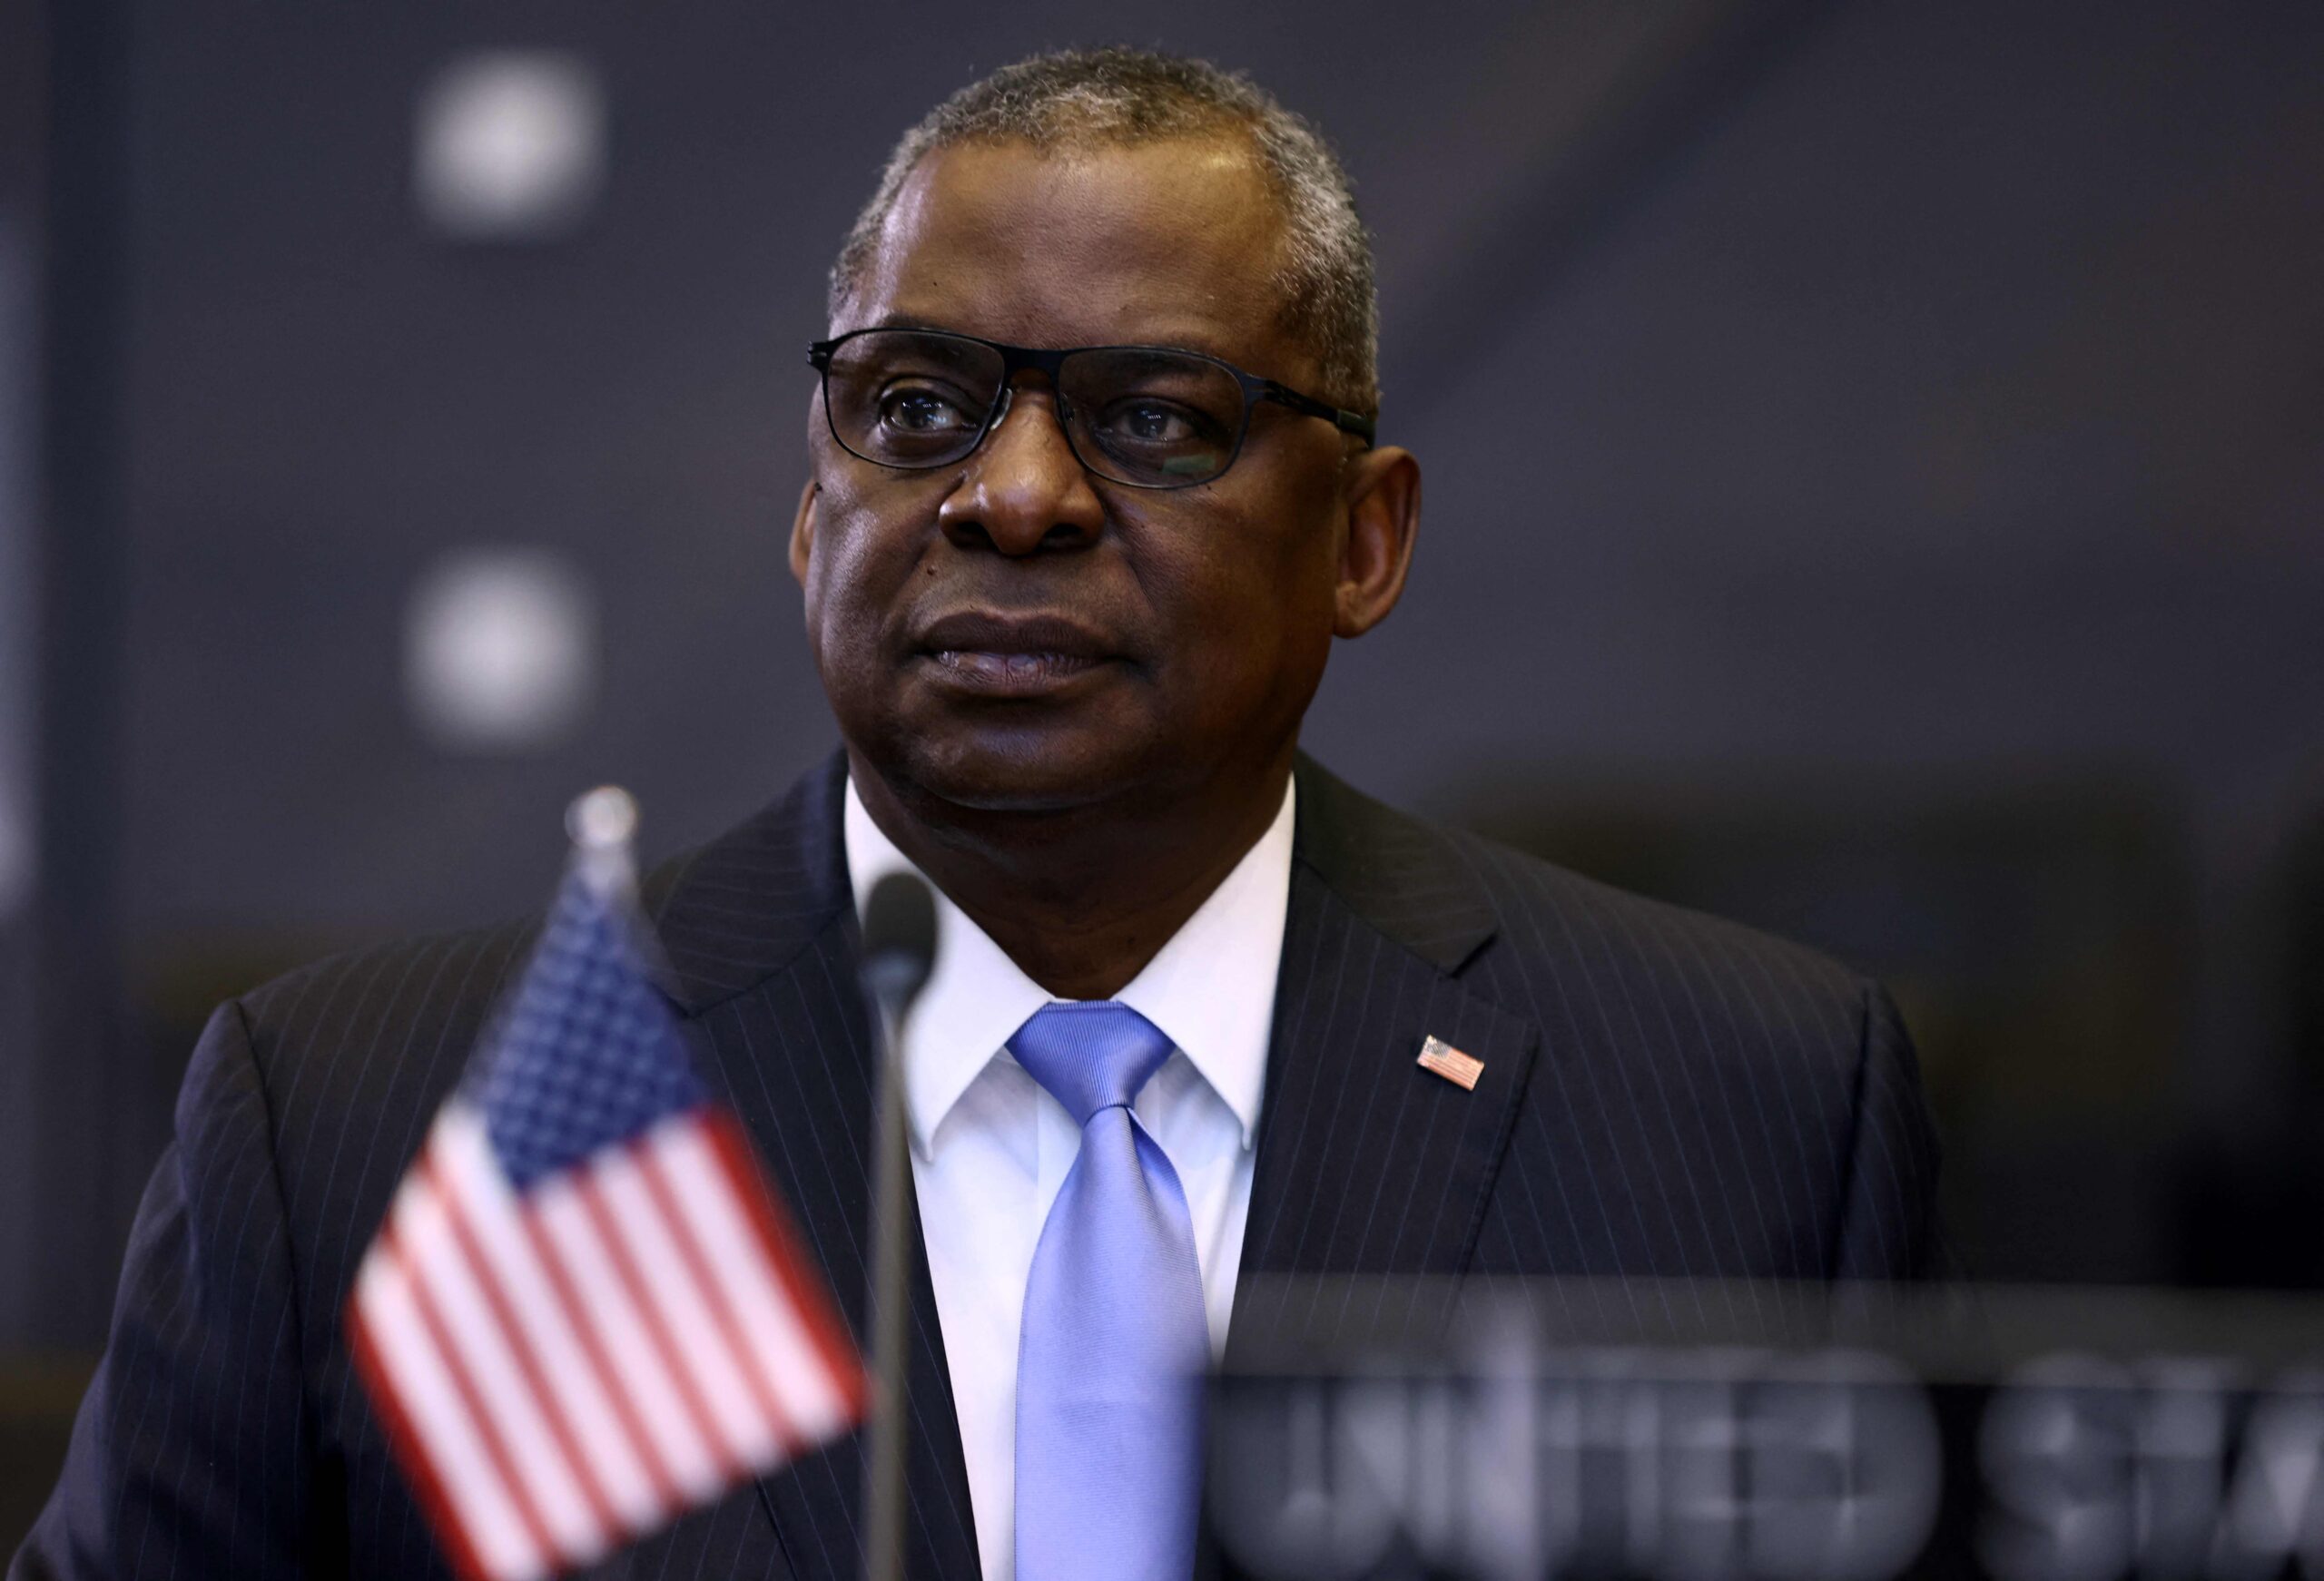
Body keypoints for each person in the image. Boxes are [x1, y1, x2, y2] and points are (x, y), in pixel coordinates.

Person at [14, 46, 1941, 1581]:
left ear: (1362, 539)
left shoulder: (1740, 1105)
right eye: (916, 405)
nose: (1012, 495)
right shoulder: (365, 1123)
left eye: (1153, 416)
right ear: (806, 507)